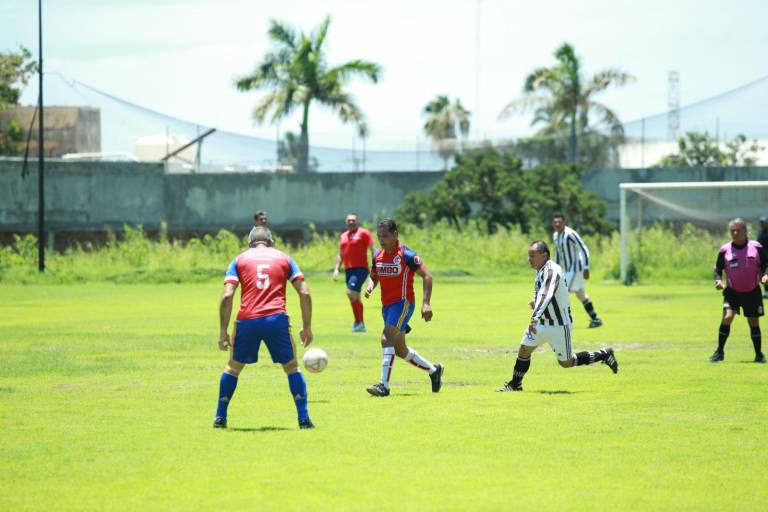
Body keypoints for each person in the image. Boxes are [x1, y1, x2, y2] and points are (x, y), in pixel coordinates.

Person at [213, 226, 315, 429]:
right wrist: (307, 326)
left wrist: (223, 331)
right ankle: (303, 419)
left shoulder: (239, 260)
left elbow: (227, 296)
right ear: (272, 243)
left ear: (249, 243)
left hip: (247, 320)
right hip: (276, 319)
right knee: (291, 367)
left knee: (233, 368)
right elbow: (304, 293)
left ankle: (220, 417)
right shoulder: (285, 258)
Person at [497, 241, 618, 392]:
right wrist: (535, 303)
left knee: (566, 362)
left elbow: (546, 294)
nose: (529, 259)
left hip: (558, 325)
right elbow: (543, 293)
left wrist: (534, 318)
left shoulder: (552, 271)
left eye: (532, 256)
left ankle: (603, 354)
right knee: (524, 350)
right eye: (529, 256)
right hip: (541, 323)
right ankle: (515, 385)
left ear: (544, 255)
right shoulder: (541, 270)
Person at [363, 219, 443, 396]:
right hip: (387, 306)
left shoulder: (407, 255)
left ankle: (384, 386)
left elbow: (427, 276)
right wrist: (370, 286)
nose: (381, 240)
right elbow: (374, 276)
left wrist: (426, 303)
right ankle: (434, 370)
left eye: (385, 236)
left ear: (395, 235)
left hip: (403, 303)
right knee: (400, 350)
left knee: (386, 338)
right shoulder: (377, 255)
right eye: (379, 236)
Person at [710, 218, 768, 363]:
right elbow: (718, 268)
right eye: (732, 231)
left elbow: (765, 264)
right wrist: (718, 280)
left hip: (752, 291)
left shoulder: (756, 247)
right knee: (727, 317)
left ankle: (759, 355)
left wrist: (765, 275)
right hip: (732, 292)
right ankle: (719, 352)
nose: (735, 233)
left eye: (738, 230)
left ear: (745, 231)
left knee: (753, 322)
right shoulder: (725, 249)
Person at [552, 213, 603, 328]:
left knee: (560, 292)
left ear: (564, 222)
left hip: (576, 269)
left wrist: (586, 267)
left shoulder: (570, 234)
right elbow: (557, 254)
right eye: (555, 222)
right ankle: (596, 319)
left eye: (560, 222)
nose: (557, 224)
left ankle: (560, 322)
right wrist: (556, 270)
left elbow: (583, 249)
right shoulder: (556, 236)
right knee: (581, 295)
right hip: (567, 270)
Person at [332, 213, 376, 332]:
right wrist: (336, 269)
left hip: (361, 269)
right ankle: (360, 325)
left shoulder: (364, 233)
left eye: (353, 220)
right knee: (355, 297)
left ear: (357, 221)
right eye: (349, 220)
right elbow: (341, 254)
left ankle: (358, 322)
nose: (351, 222)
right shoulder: (343, 236)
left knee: (350, 292)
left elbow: (373, 249)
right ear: (346, 222)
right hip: (348, 270)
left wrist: (376, 264)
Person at [759, 216, 768, 299]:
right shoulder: (761, 232)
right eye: (761, 223)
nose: (762, 224)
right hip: (762, 258)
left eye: (763, 222)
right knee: (763, 274)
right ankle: (766, 291)